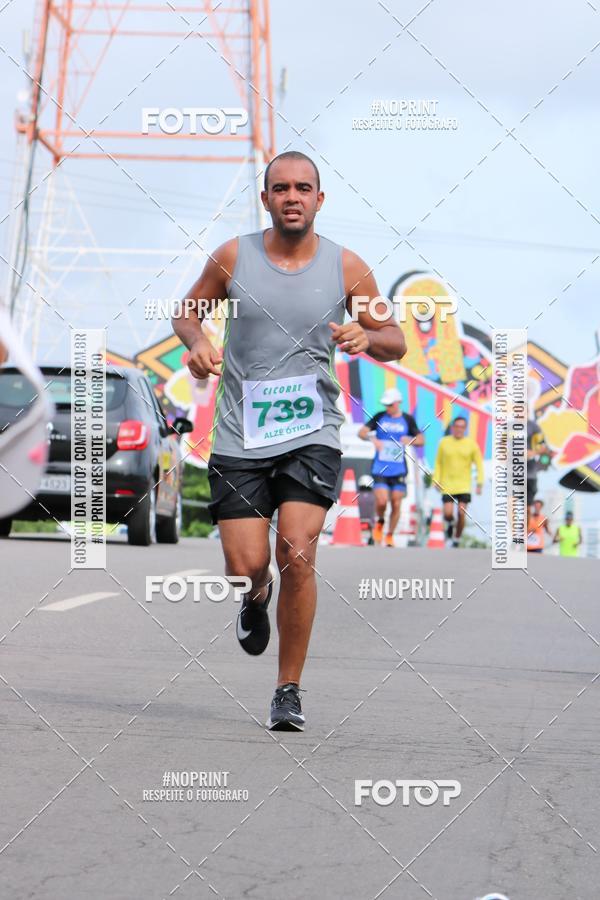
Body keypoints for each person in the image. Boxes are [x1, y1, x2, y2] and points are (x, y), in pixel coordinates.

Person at [172, 151, 406, 731]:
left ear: (319, 200)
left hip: (312, 432)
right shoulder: (234, 256)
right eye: (282, 188)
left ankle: (288, 689)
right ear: (266, 199)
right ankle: (254, 597)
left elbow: (395, 337)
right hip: (238, 433)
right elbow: (187, 313)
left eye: (304, 188)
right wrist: (197, 344)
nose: (293, 197)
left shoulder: (347, 268)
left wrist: (366, 335)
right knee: (246, 564)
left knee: (298, 552)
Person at [357, 388, 424, 547]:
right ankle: (380, 522)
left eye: (390, 404)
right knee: (381, 501)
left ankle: (389, 535)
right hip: (380, 467)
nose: (388, 407)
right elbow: (361, 433)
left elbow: (421, 439)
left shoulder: (407, 420)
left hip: (399, 468)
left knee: (396, 503)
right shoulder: (380, 417)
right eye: (386, 404)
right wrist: (373, 439)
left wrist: (410, 440)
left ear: (398, 403)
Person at [432, 415, 484, 547]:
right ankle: (449, 524)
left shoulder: (471, 444)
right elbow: (438, 463)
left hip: (464, 486)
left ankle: (456, 538)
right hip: (447, 485)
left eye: (462, 427)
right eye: (457, 426)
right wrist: (436, 480)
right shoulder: (444, 442)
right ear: (453, 428)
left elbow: (479, 465)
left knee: (461, 513)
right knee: (448, 514)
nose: (459, 429)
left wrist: (479, 483)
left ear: (465, 429)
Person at [356, 474, 376, 544]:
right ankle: (372, 538)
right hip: (371, 522)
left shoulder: (356, 495)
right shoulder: (374, 496)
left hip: (357, 520)